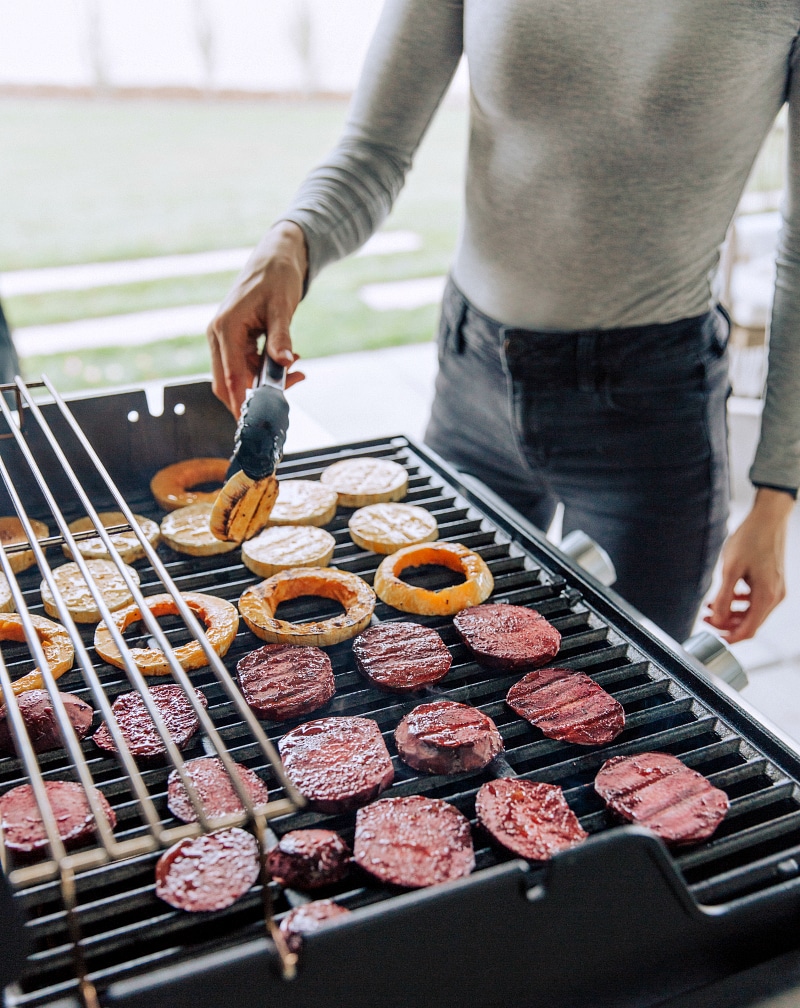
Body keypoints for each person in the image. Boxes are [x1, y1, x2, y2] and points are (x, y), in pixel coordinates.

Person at [208, 0, 800, 645]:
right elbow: (374, 148)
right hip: (473, 382)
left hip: (650, 415)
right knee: (434, 671)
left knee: (615, 707)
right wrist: (291, 242)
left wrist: (776, 496)